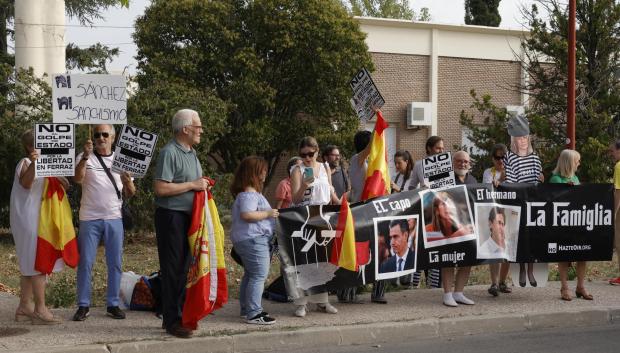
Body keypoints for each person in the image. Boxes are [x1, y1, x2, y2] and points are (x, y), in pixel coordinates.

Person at [153, 109, 211, 338]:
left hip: (190, 218)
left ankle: (181, 314)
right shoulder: (169, 153)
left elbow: (195, 183)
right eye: (198, 126)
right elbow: (160, 188)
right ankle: (172, 320)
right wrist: (192, 185)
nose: (201, 131)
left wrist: (202, 184)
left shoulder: (192, 153)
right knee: (173, 269)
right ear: (185, 129)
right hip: (171, 217)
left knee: (186, 269)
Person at [73, 124, 136, 322]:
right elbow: (77, 178)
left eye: (105, 134)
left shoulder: (121, 159)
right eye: (97, 134)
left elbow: (131, 192)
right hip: (89, 218)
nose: (101, 138)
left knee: (115, 262)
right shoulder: (85, 156)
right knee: (85, 262)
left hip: (114, 217)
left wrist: (127, 182)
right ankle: (83, 305)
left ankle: (113, 304)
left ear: (113, 137)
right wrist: (84, 156)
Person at [10, 129, 68, 325]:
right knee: (37, 263)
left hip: (39, 220)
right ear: (30, 146)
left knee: (28, 263)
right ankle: (40, 309)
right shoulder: (25, 163)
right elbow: (26, 183)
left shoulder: (48, 164)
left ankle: (24, 307)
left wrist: (61, 179)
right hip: (29, 220)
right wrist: (36, 162)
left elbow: (65, 185)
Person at [290, 136, 339, 317]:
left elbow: (330, 192)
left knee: (323, 262)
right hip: (305, 217)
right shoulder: (297, 169)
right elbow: (294, 199)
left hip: (324, 217)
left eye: (311, 154)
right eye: (303, 155)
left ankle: (322, 301)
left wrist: (341, 205)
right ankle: (302, 303)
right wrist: (304, 186)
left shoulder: (325, 167)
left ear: (317, 152)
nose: (307, 158)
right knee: (305, 262)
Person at [230, 156, 279, 324]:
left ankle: (246, 309)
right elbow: (247, 215)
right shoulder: (250, 194)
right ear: (254, 173)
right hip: (253, 239)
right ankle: (254, 312)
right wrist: (268, 213)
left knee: (251, 274)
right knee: (259, 275)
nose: (265, 173)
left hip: (246, 239)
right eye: (263, 170)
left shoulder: (246, 193)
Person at [503, 115, 543, 288]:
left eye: (525, 137)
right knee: (519, 239)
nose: (523, 141)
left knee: (533, 238)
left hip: (533, 202)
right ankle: (520, 270)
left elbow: (538, 179)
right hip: (518, 203)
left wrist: (540, 180)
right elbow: (512, 181)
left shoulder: (535, 158)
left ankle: (531, 271)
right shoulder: (509, 158)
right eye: (519, 138)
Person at [550, 149, 592, 300]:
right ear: (569, 162)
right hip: (563, 224)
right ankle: (564, 287)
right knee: (564, 255)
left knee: (583, 254)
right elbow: (552, 201)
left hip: (577, 222)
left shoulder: (575, 177)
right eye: (577, 161)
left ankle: (580, 287)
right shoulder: (555, 179)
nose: (579, 164)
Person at [439, 151, 476, 307]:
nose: (463, 164)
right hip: (449, 227)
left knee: (467, 260)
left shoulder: (473, 180)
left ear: (469, 163)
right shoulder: (444, 179)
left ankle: (459, 293)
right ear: (453, 162)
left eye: (465, 162)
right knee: (448, 260)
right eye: (459, 161)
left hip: (468, 228)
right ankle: (447, 294)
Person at [409, 136, 444, 289]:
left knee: (436, 247)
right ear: (429, 148)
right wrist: (420, 192)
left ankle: (434, 285)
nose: (441, 151)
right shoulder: (419, 165)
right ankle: (414, 284)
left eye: (442, 148)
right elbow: (411, 187)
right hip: (423, 209)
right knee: (419, 248)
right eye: (438, 148)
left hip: (440, 210)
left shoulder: (446, 164)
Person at [483, 144, 511, 297]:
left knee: (508, 248)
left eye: (504, 157)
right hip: (496, 213)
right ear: (493, 159)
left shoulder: (514, 170)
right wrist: (501, 178)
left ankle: (502, 282)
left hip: (511, 214)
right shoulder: (489, 172)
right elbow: (488, 188)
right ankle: (493, 283)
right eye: (498, 158)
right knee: (495, 249)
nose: (501, 161)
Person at [611, 140, 620, 286]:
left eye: (612, 151)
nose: (611, 154)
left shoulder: (618, 166)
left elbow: (618, 192)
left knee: (619, 242)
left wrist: (614, 212)